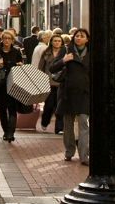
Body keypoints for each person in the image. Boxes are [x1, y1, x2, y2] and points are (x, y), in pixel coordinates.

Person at [50, 28, 91, 164]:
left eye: (82, 36)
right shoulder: (66, 50)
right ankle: (69, 151)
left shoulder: (91, 53)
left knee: (84, 123)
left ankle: (84, 155)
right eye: (77, 36)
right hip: (68, 93)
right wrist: (63, 60)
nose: (78, 38)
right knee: (68, 124)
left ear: (87, 39)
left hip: (84, 93)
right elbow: (52, 68)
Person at [0, 30, 24, 142]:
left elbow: (22, 65)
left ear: (12, 40)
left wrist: (20, 65)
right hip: (1, 85)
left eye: (9, 38)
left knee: (12, 109)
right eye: (5, 38)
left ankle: (10, 133)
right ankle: (5, 132)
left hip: (13, 84)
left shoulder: (16, 52)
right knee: (2, 110)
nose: (7, 40)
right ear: (2, 40)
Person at [38, 33, 65, 134]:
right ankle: (45, 122)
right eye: (55, 41)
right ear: (51, 42)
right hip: (48, 83)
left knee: (60, 106)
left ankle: (59, 128)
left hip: (61, 83)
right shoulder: (46, 52)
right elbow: (41, 67)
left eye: (59, 41)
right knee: (49, 106)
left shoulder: (65, 52)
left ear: (61, 42)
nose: (57, 43)